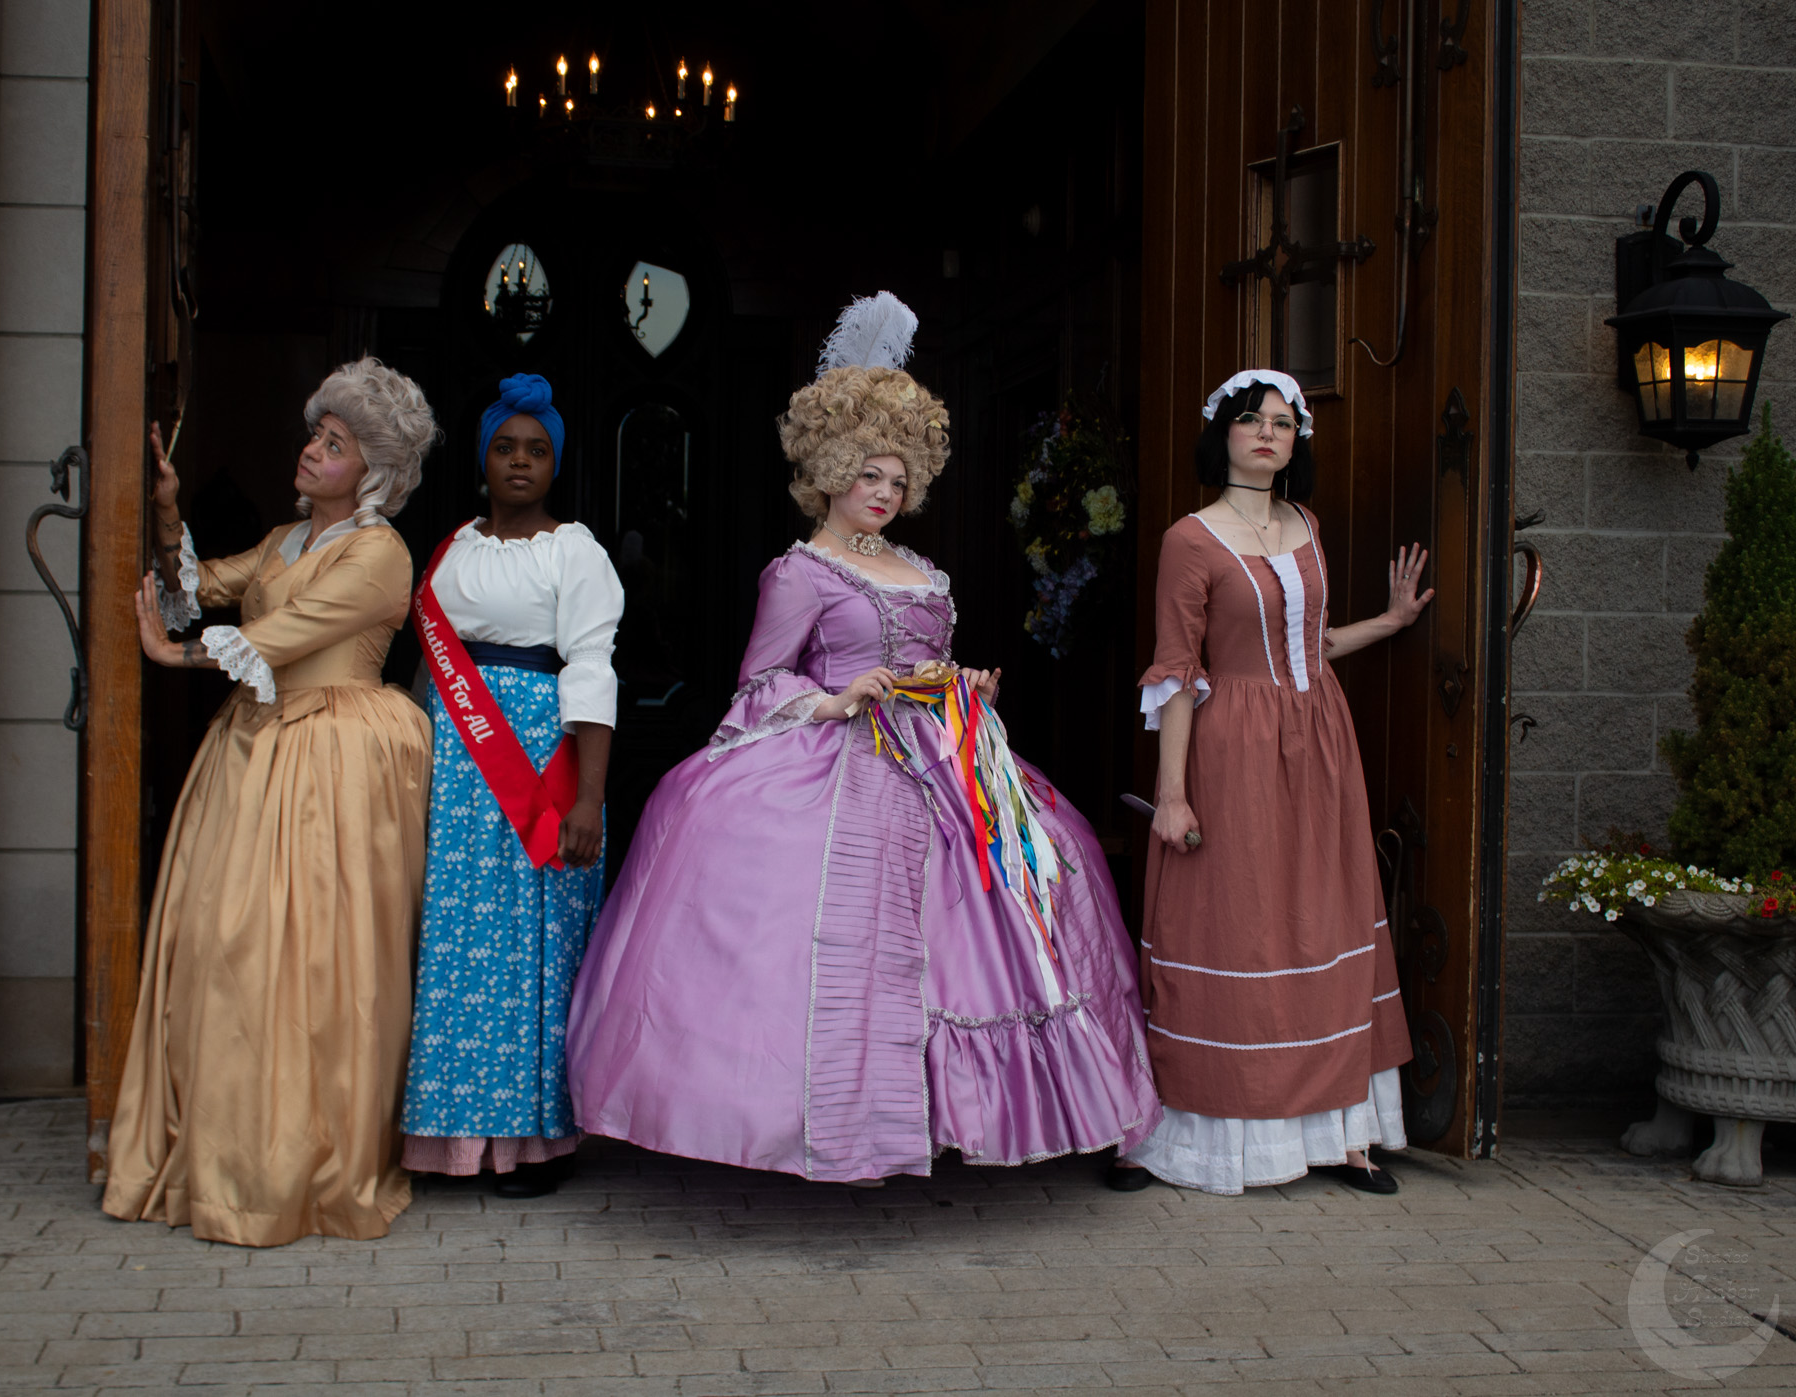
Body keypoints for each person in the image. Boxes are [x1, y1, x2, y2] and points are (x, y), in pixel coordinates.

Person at [567, 293, 1162, 1184]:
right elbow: (760, 682)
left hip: (950, 756)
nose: (884, 494)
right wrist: (836, 696)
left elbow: (936, 659)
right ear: (829, 472)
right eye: (867, 476)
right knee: (850, 930)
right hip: (843, 753)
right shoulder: (799, 572)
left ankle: (988, 1114)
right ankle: (853, 1118)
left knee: (1040, 872)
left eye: (897, 480)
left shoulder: (919, 567)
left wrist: (969, 685)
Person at [103, 357, 439, 1245]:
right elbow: (201, 586)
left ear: (371, 471)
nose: (312, 451)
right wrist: (168, 505)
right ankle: (226, 1147)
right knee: (227, 940)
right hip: (257, 746)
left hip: (335, 755)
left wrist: (175, 658)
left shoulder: (378, 552)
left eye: (334, 444)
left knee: (319, 956)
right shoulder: (288, 541)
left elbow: (279, 637)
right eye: (316, 435)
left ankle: (305, 1154)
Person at [1122, 368, 1431, 1196]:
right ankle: (1192, 1130)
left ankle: (1344, 1131)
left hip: (1321, 742)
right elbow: (1180, 673)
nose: (1268, 433)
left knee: (1321, 916)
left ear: (1297, 443)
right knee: (1239, 923)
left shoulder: (1306, 522)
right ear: (1221, 432)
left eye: (1284, 424)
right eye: (1252, 420)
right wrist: (1175, 791)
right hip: (1237, 748)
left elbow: (1315, 642)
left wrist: (1392, 622)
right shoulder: (1191, 538)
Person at [402, 374, 624, 1199]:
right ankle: (454, 1138)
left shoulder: (577, 551)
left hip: (541, 766)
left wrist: (588, 799)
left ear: (555, 463)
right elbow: (431, 669)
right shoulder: (454, 546)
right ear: (483, 459)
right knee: (458, 951)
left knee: (533, 956)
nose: (520, 462)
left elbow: (594, 672)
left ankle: (537, 1145)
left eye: (536, 450)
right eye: (505, 447)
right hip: (460, 769)